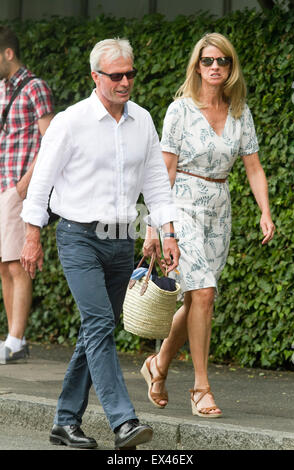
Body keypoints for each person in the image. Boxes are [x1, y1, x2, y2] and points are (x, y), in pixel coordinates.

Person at [20, 38, 180, 450]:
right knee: (99, 325)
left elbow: (156, 183)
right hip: (78, 237)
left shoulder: (142, 120)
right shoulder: (71, 122)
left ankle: (64, 421)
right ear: (95, 77)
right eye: (116, 75)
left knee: (94, 331)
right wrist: (32, 234)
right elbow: (42, 182)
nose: (125, 81)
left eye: (130, 73)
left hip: (122, 240)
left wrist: (169, 232)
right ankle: (123, 421)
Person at [141, 32, 275, 418]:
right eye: (208, 61)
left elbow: (253, 166)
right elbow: (162, 171)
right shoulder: (179, 110)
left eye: (223, 61)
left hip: (219, 208)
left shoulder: (239, 111)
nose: (215, 67)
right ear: (197, 66)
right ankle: (201, 387)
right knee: (203, 292)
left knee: (199, 295)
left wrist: (265, 211)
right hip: (181, 204)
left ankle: (159, 364)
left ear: (231, 67)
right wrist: (154, 226)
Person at [0, 26, 54, 364]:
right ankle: (12, 338)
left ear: (8, 53)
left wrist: (25, 184)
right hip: (2, 185)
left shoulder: (36, 88)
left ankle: (16, 340)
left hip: (17, 188)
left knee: (17, 264)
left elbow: (51, 141)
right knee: (4, 266)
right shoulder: (2, 89)